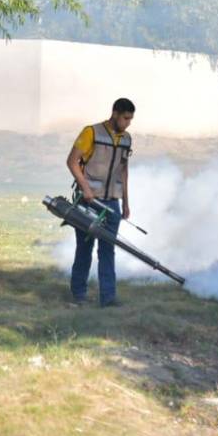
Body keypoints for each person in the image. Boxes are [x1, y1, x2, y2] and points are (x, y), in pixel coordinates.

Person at [66, 98, 135, 307]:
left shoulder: (127, 138)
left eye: (131, 119)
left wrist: (126, 201)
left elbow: (123, 170)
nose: (128, 123)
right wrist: (86, 188)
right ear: (115, 113)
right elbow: (71, 161)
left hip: (112, 201)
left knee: (108, 249)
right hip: (88, 201)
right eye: (125, 118)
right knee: (84, 248)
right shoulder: (91, 133)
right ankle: (79, 294)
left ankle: (108, 298)